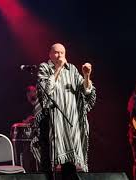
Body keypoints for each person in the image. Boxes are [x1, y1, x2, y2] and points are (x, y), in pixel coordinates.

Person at [35, 43, 96, 180]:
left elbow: (86, 91)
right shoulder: (45, 68)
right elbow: (45, 92)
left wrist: (86, 76)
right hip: (51, 120)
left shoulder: (72, 69)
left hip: (69, 120)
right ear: (50, 54)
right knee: (48, 160)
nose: (59, 55)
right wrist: (57, 69)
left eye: (62, 53)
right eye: (56, 52)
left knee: (69, 164)